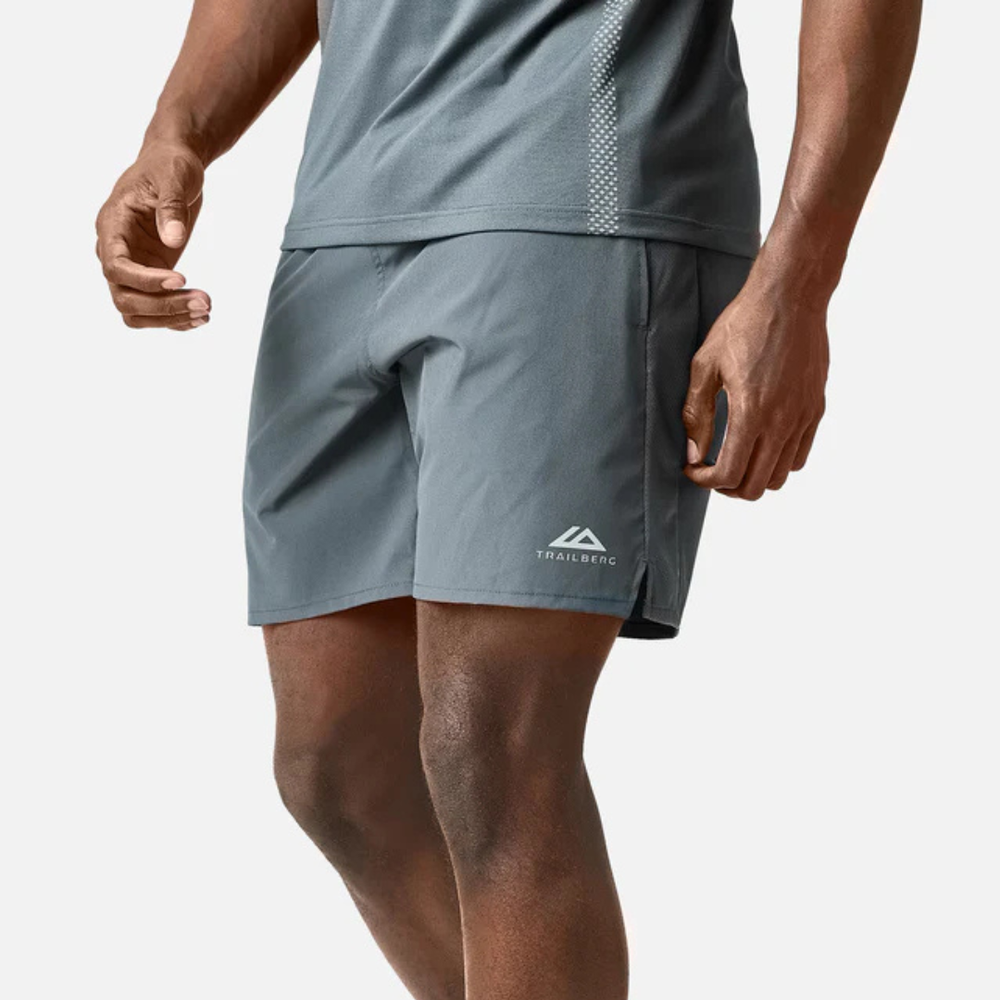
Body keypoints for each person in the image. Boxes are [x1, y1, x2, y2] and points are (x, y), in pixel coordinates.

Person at [95, 1, 921, 997]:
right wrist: (176, 133)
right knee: (339, 768)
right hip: (343, 217)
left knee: (490, 744)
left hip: (579, 195)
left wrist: (798, 279)